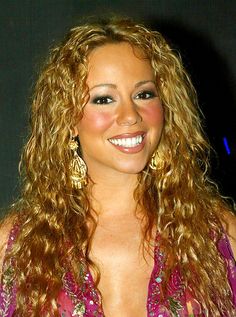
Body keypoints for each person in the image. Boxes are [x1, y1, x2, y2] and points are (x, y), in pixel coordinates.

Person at [0, 17, 235, 317]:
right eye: (104, 99)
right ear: (68, 119)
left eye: (144, 94)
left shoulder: (218, 234)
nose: (130, 115)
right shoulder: (15, 246)